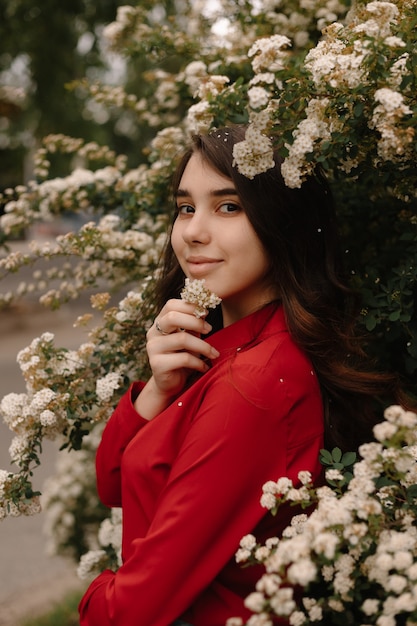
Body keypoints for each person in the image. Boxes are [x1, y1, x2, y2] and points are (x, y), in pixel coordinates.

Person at [78, 126, 410, 626]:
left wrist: (97, 590)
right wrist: (160, 391)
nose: (193, 231)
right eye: (186, 207)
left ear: (283, 223)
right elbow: (114, 482)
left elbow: (130, 611)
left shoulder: (253, 384)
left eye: (228, 206)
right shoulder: (223, 351)